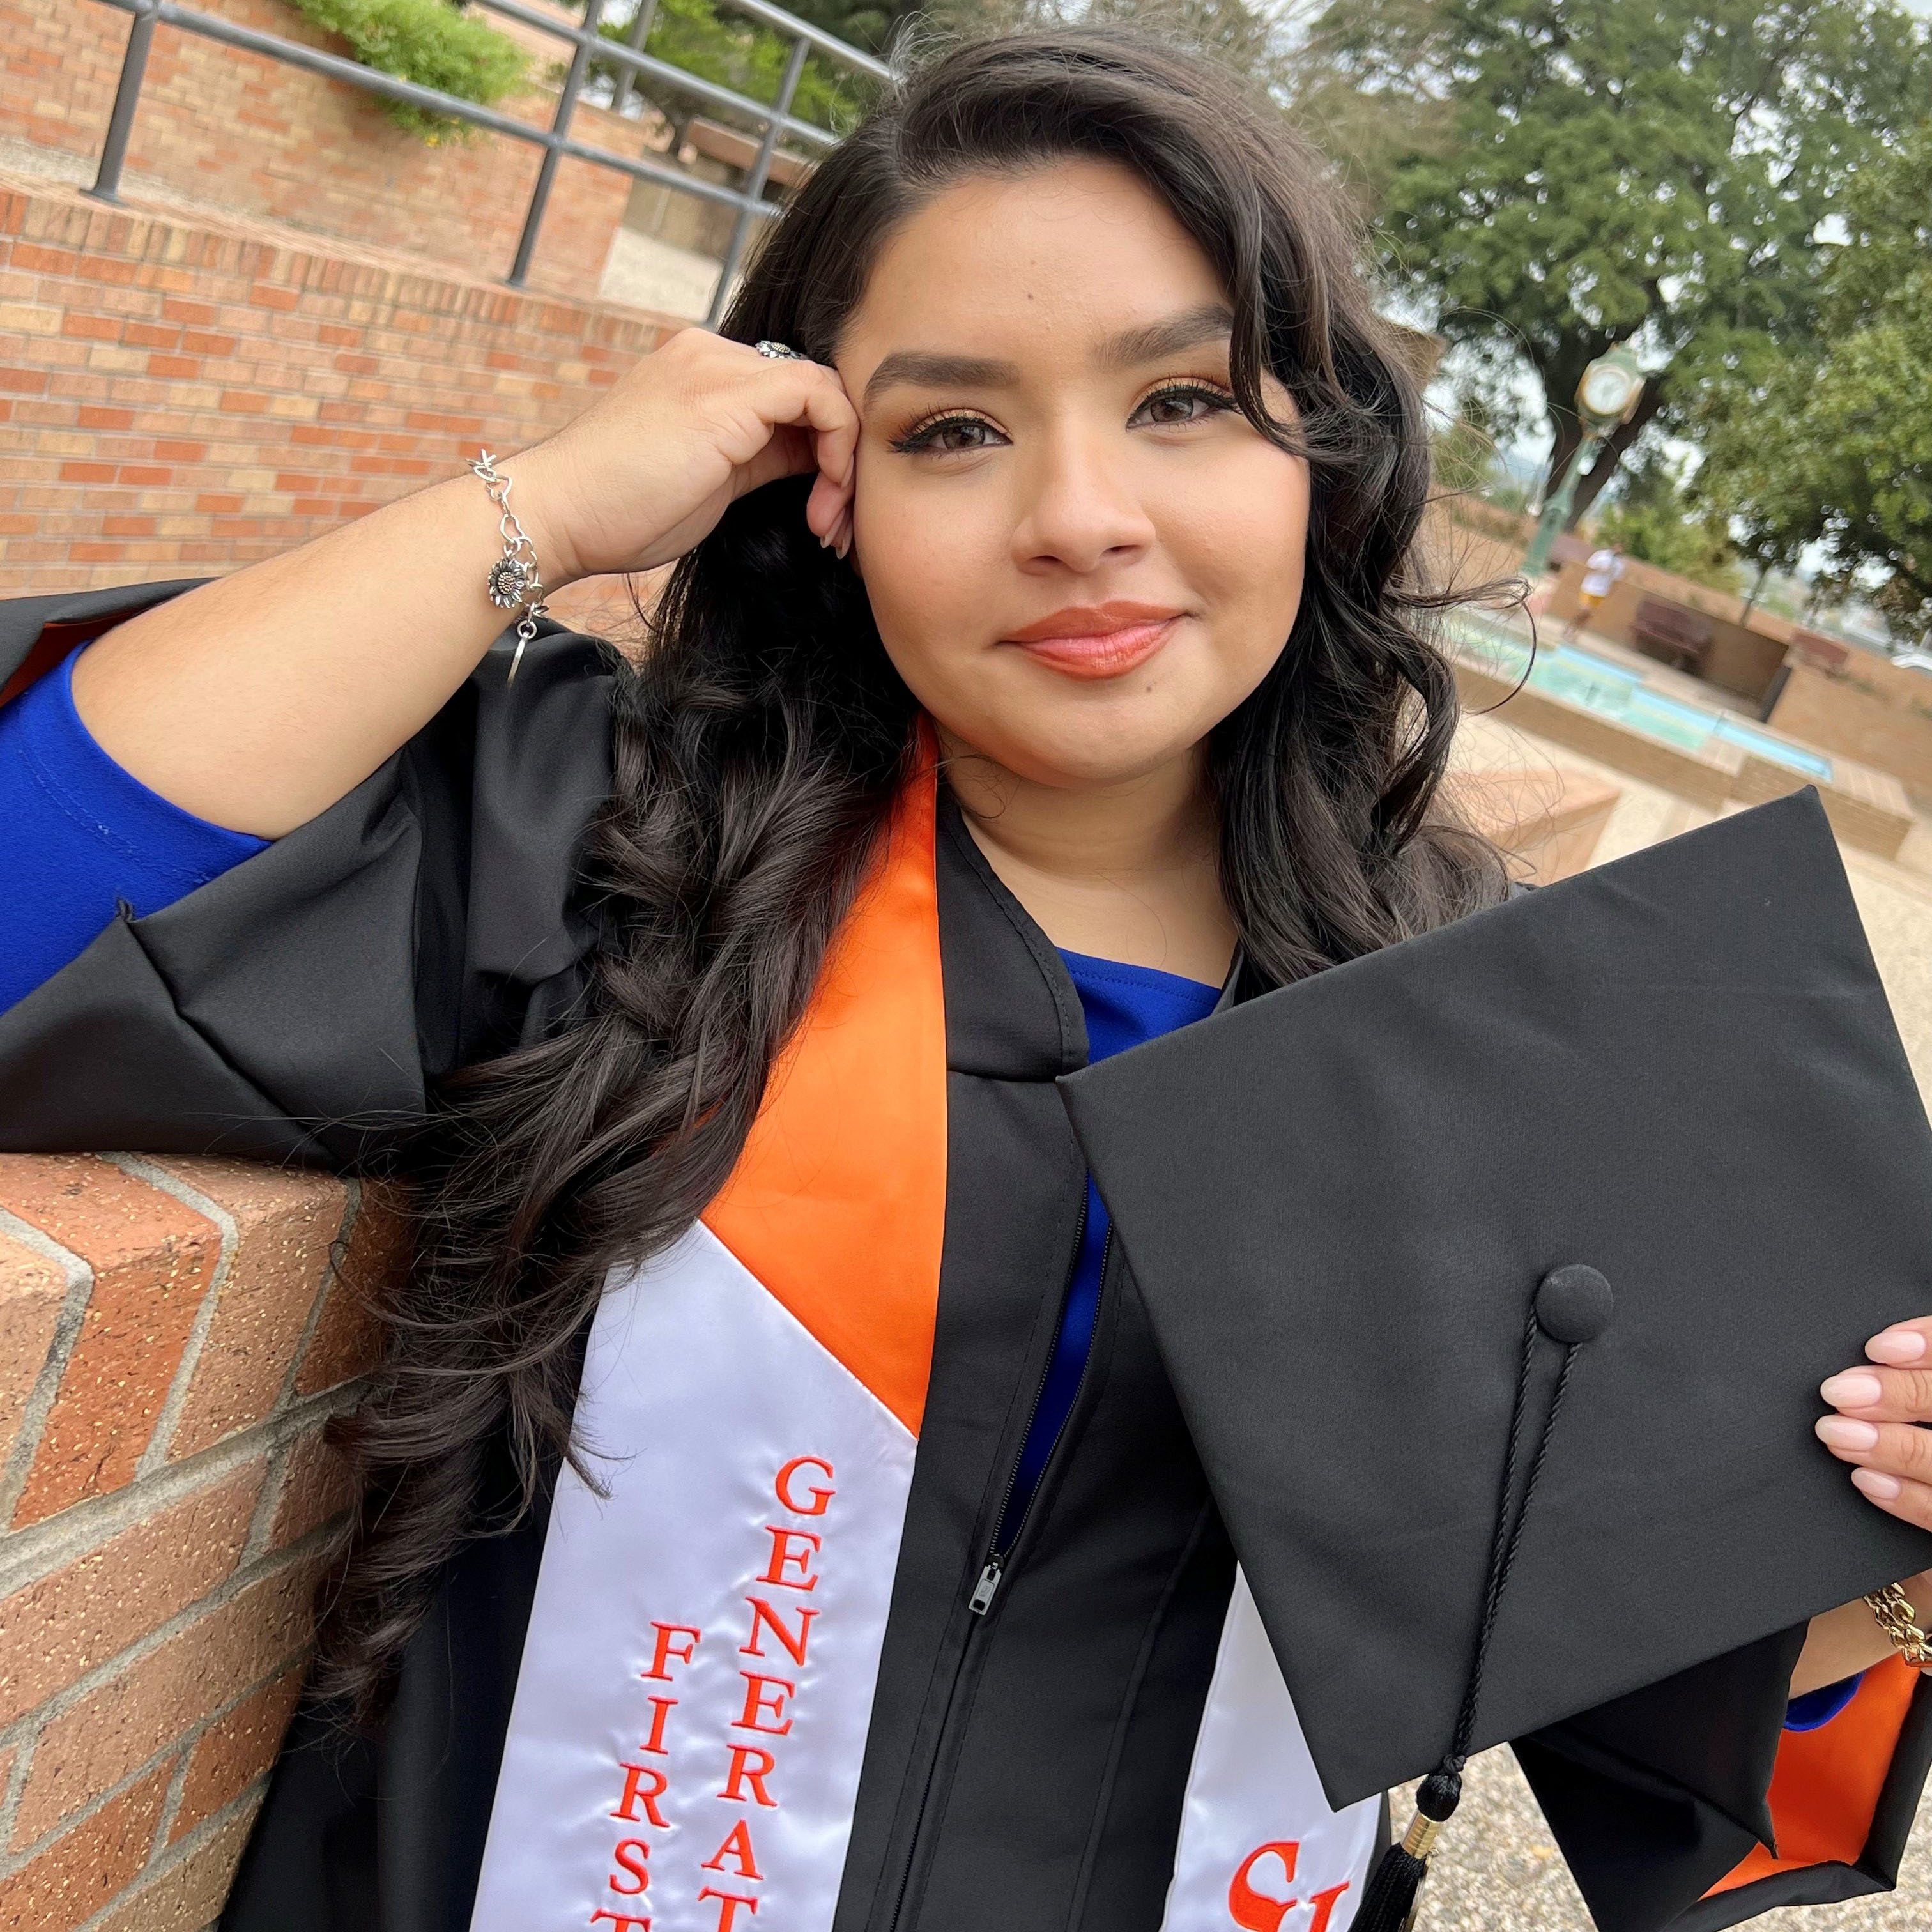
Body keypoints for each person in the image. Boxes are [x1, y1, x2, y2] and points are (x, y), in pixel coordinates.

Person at [2, 30, 1929, 1932]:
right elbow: (33, 882)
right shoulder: (616, 850)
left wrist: (1901, 1524)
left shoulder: (1506, 1029)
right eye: (951, 430)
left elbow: (1691, 1677)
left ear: (1320, 460)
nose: (1080, 514)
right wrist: (558, 510)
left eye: (1182, 402)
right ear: (823, 499)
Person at [1563, 538, 1625, 641]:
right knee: (1584, 610)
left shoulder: (1619, 565)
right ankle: (1570, 625)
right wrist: (1600, 570)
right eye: (1617, 546)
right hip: (1590, 587)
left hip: (1602, 591)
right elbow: (1589, 568)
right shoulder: (1601, 555)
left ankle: (1576, 632)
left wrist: (1611, 593)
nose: (1618, 549)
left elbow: (1617, 581)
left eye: (1621, 548)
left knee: (1588, 615)